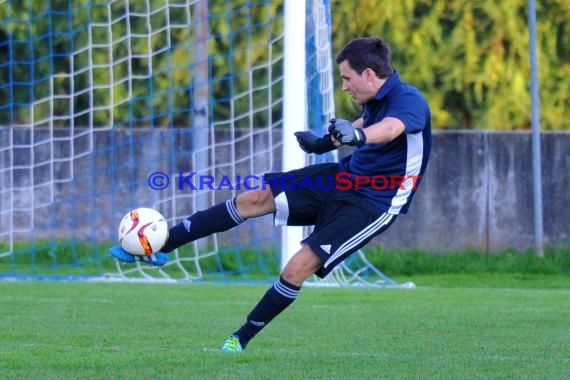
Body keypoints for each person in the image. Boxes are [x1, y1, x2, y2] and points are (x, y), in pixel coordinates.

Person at [109, 36, 432, 352]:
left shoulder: (409, 100)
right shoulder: (375, 100)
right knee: (252, 198)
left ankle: (239, 339)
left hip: (375, 202)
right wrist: (326, 142)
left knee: (297, 267)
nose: (345, 86)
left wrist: (357, 135)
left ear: (369, 75)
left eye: (347, 78)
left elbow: (390, 128)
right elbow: (368, 122)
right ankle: (161, 246)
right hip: (344, 179)